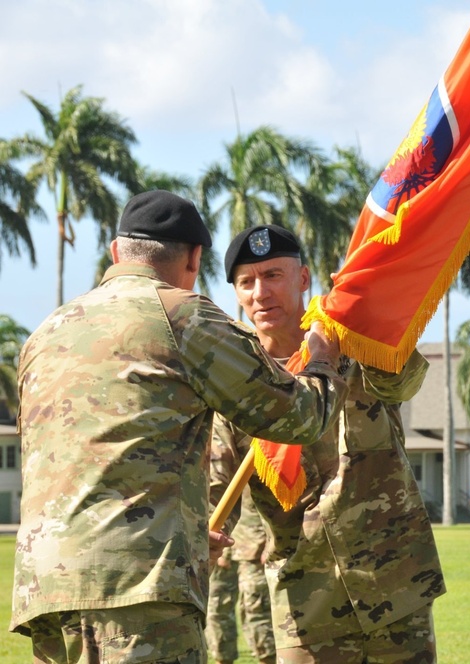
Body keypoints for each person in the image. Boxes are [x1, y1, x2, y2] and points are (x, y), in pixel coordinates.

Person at [11, 191, 346, 662]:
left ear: (115, 253)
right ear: (194, 259)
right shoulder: (182, 314)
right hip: (139, 587)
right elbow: (301, 416)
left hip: (46, 589)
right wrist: (322, 361)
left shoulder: (46, 333)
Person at [211, 224, 445, 663]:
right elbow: (215, 490)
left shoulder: (353, 346)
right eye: (247, 282)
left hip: (394, 584)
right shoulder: (236, 385)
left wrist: (374, 314)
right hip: (305, 603)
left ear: (302, 279)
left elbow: (406, 381)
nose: (260, 293)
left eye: (273, 276)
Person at [205, 488, 275, 664]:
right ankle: (222, 658)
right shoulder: (211, 463)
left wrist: (271, 542)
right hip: (220, 540)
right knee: (217, 606)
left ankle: (267, 659)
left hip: (255, 547)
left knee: (256, 609)